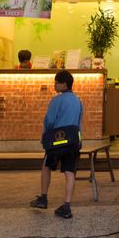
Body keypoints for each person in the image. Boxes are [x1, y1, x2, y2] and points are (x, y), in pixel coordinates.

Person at [30, 70, 83, 218]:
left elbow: (50, 121)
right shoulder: (78, 100)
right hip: (72, 141)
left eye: (56, 82)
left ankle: (43, 198)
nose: (54, 84)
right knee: (69, 172)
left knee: (46, 166)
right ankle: (66, 206)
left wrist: (44, 136)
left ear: (63, 84)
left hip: (56, 140)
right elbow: (79, 122)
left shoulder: (56, 100)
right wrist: (79, 141)